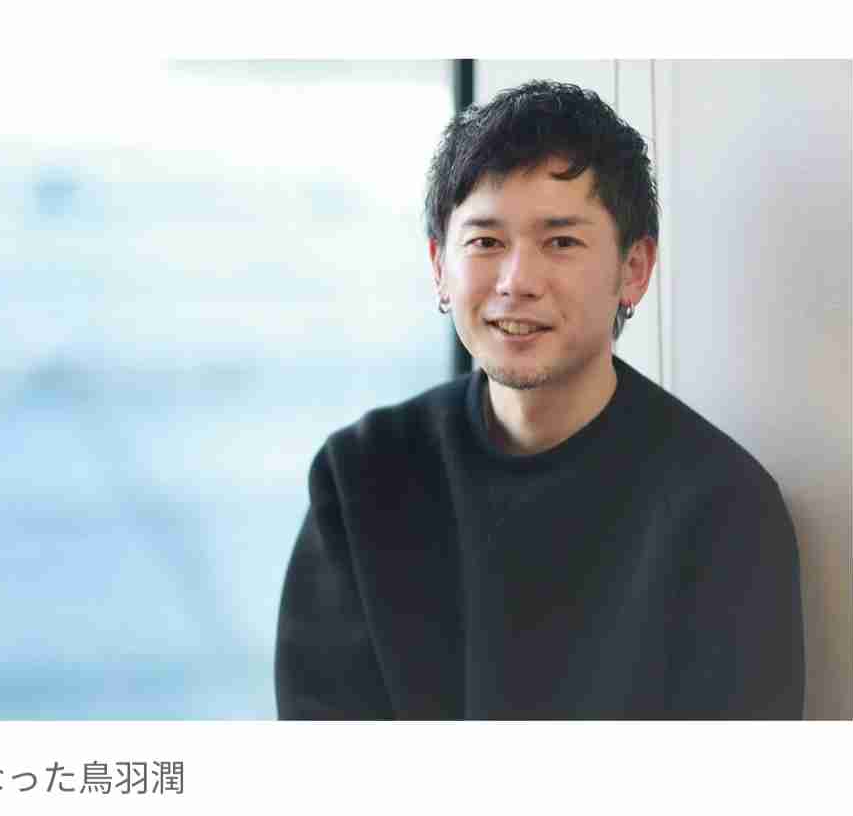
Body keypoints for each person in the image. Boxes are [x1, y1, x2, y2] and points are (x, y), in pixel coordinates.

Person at [274, 80, 805, 720]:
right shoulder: (361, 476)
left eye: (561, 242)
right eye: (486, 242)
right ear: (440, 265)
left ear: (634, 269)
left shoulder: (722, 510)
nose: (517, 281)